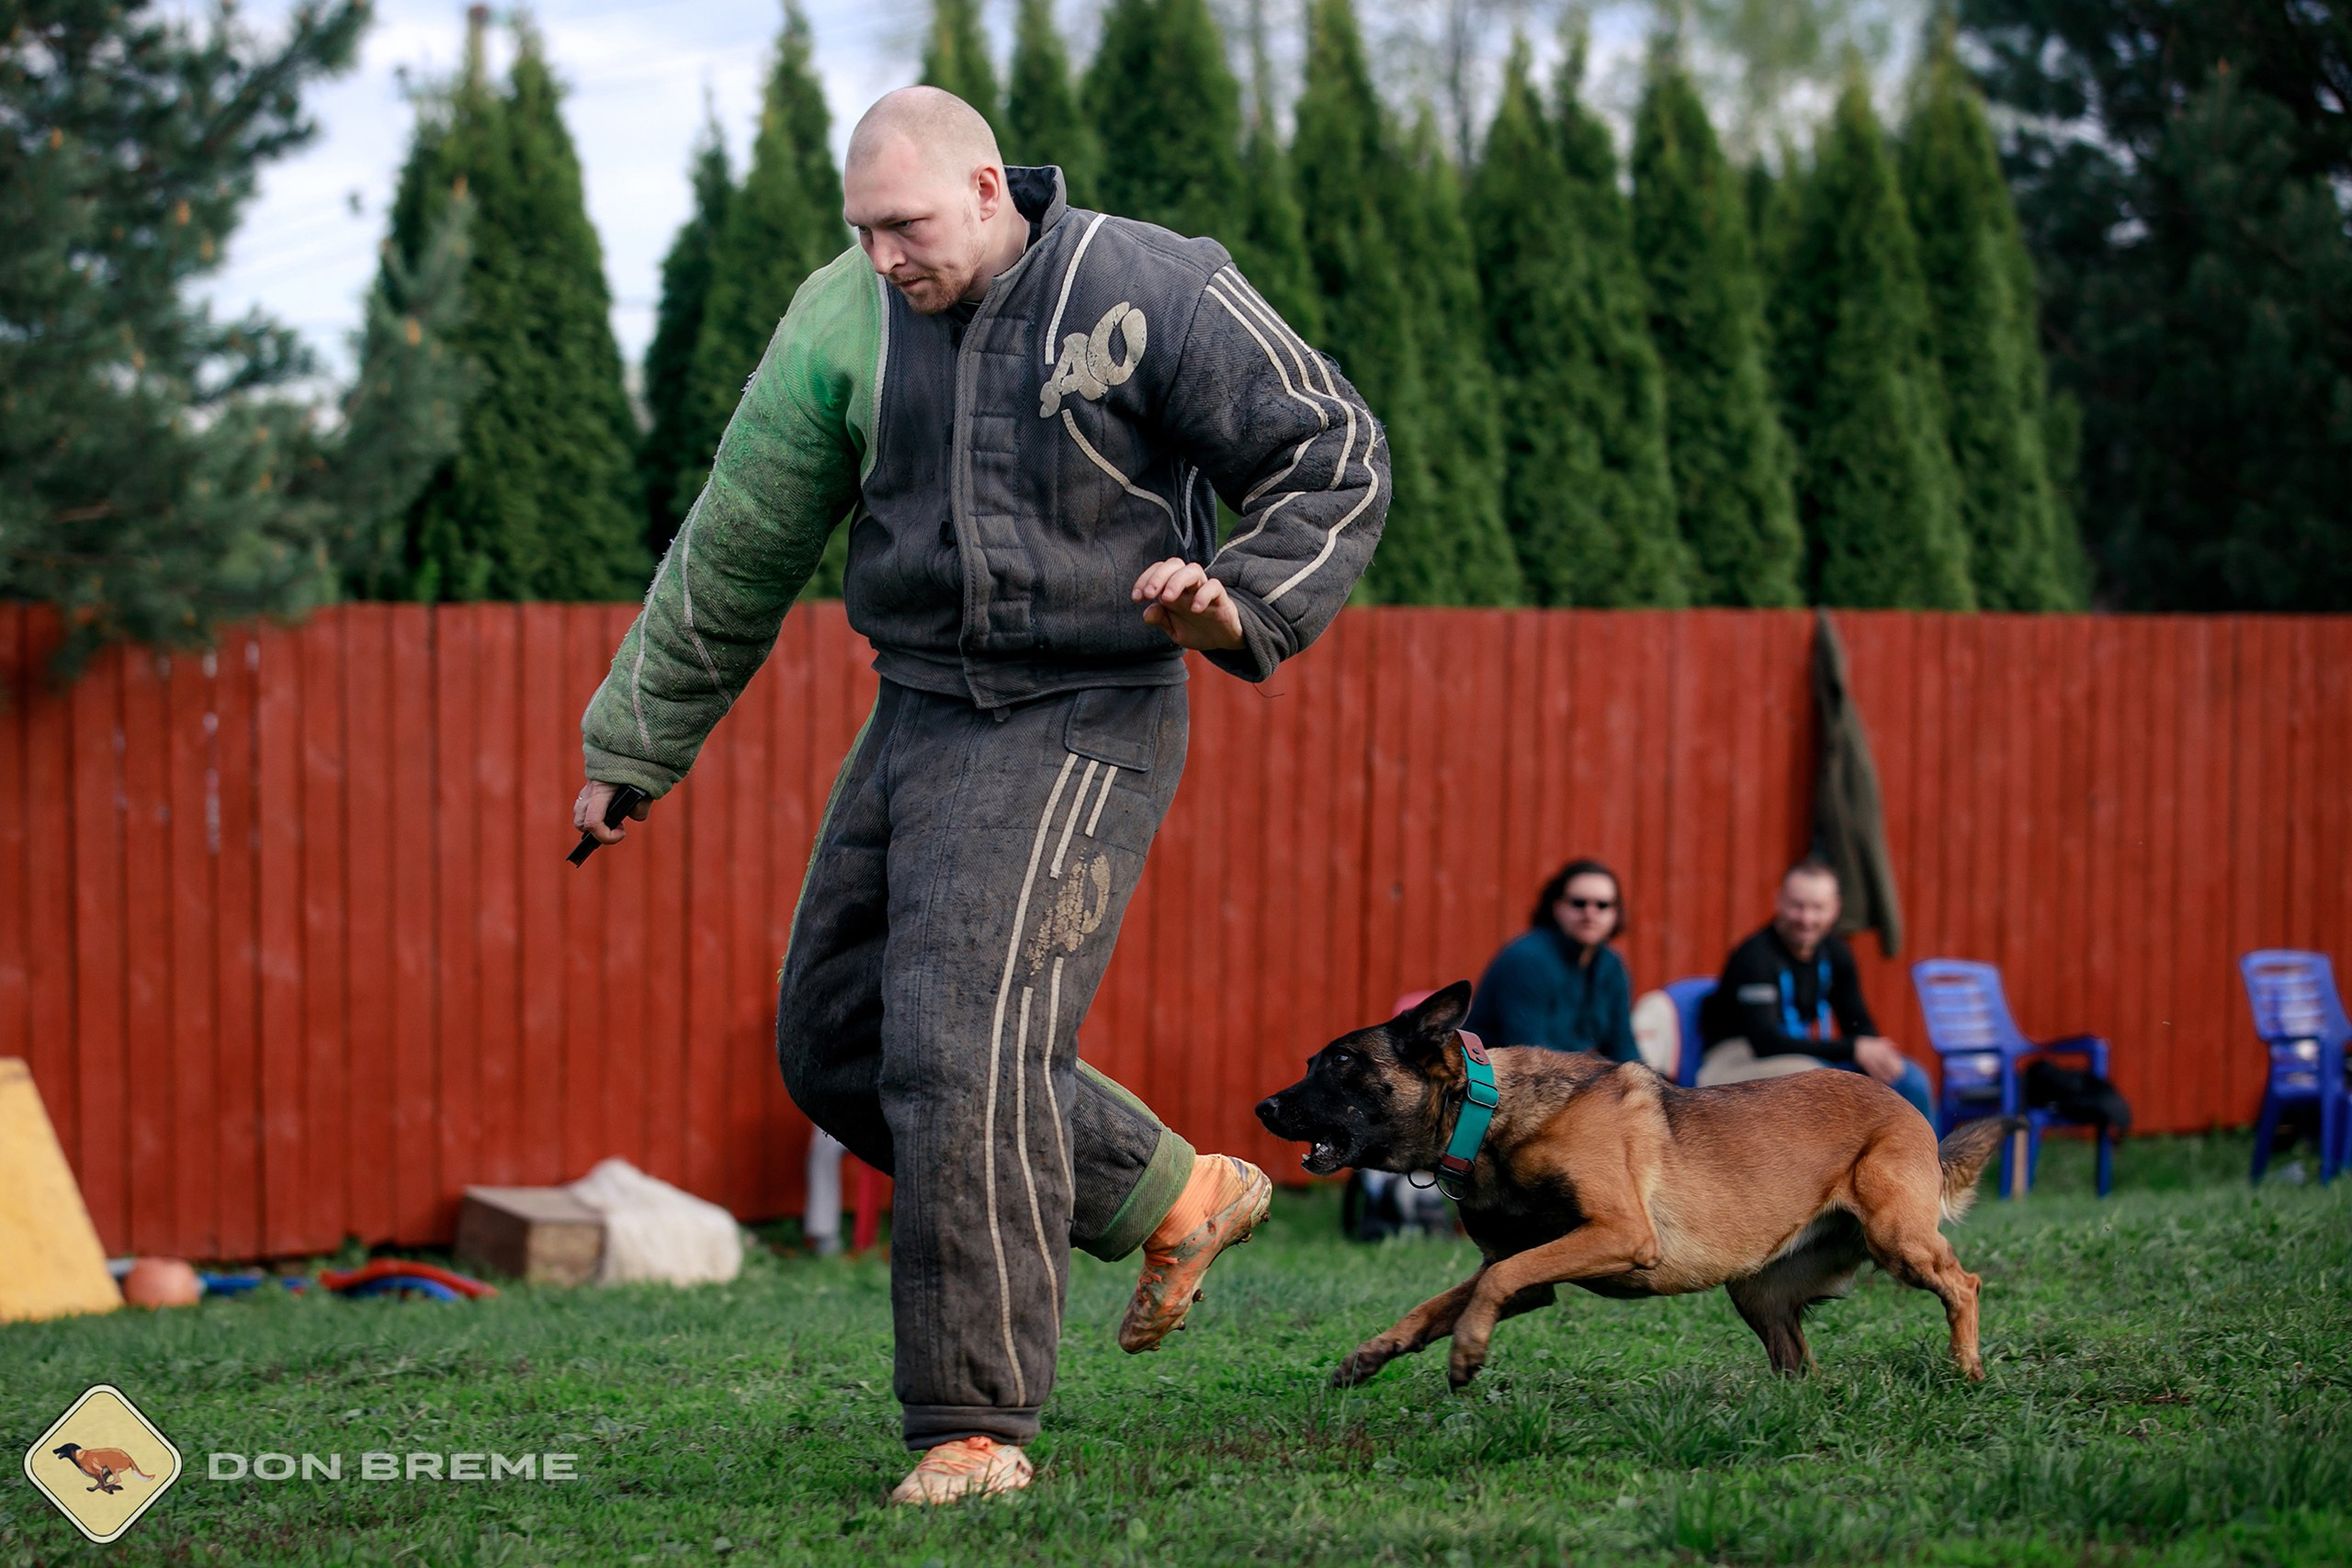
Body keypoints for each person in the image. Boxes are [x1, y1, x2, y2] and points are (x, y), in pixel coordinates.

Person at [571, 87, 1387, 1506]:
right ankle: (1167, 1190)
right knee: (833, 1037)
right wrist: (635, 741)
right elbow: (738, 540)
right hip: (923, 707)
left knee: (958, 1044)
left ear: (991, 186)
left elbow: (1334, 448)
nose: (886, 254)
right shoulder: (841, 321)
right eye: (863, 228)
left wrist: (1235, 596)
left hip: (1089, 705)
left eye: (908, 224)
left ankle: (974, 1423)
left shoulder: (1147, 286)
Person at [1697, 857, 1936, 1121]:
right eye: (1797, 906)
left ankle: (1925, 1161)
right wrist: (1853, 1048)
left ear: (1835, 909)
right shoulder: (1754, 956)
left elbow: (1858, 1024)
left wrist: (1872, 1052)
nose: (1807, 919)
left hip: (1800, 1058)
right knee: (1820, 1083)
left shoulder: (1835, 953)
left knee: (1911, 1079)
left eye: (1817, 908)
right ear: (1779, 902)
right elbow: (1765, 1042)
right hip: (1735, 1059)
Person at [1462, 859, 1639, 1063]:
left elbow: (1623, 1047)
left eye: (1602, 905)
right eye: (1578, 903)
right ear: (1557, 907)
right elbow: (1530, 1054)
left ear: (1615, 913)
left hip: (1562, 1079)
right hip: (1492, 1082)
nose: (1590, 913)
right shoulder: (1527, 960)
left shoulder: (1612, 966)